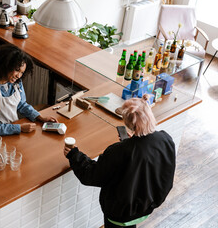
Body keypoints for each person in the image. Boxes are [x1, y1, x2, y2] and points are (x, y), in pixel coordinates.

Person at [64, 94, 176, 228]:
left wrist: (74, 155)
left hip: (120, 213)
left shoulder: (118, 151)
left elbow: (91, 176)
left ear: (128, 123)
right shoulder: (165, 139)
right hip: (145, 206)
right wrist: (130, 143)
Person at [0, 44, 57, 136]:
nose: (19, 76)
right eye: (17, 70)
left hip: (13, 130)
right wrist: (20, 128)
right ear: (5, 66)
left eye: (22, 72)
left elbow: (21, 104)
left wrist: (40, 117)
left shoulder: (16, 82)